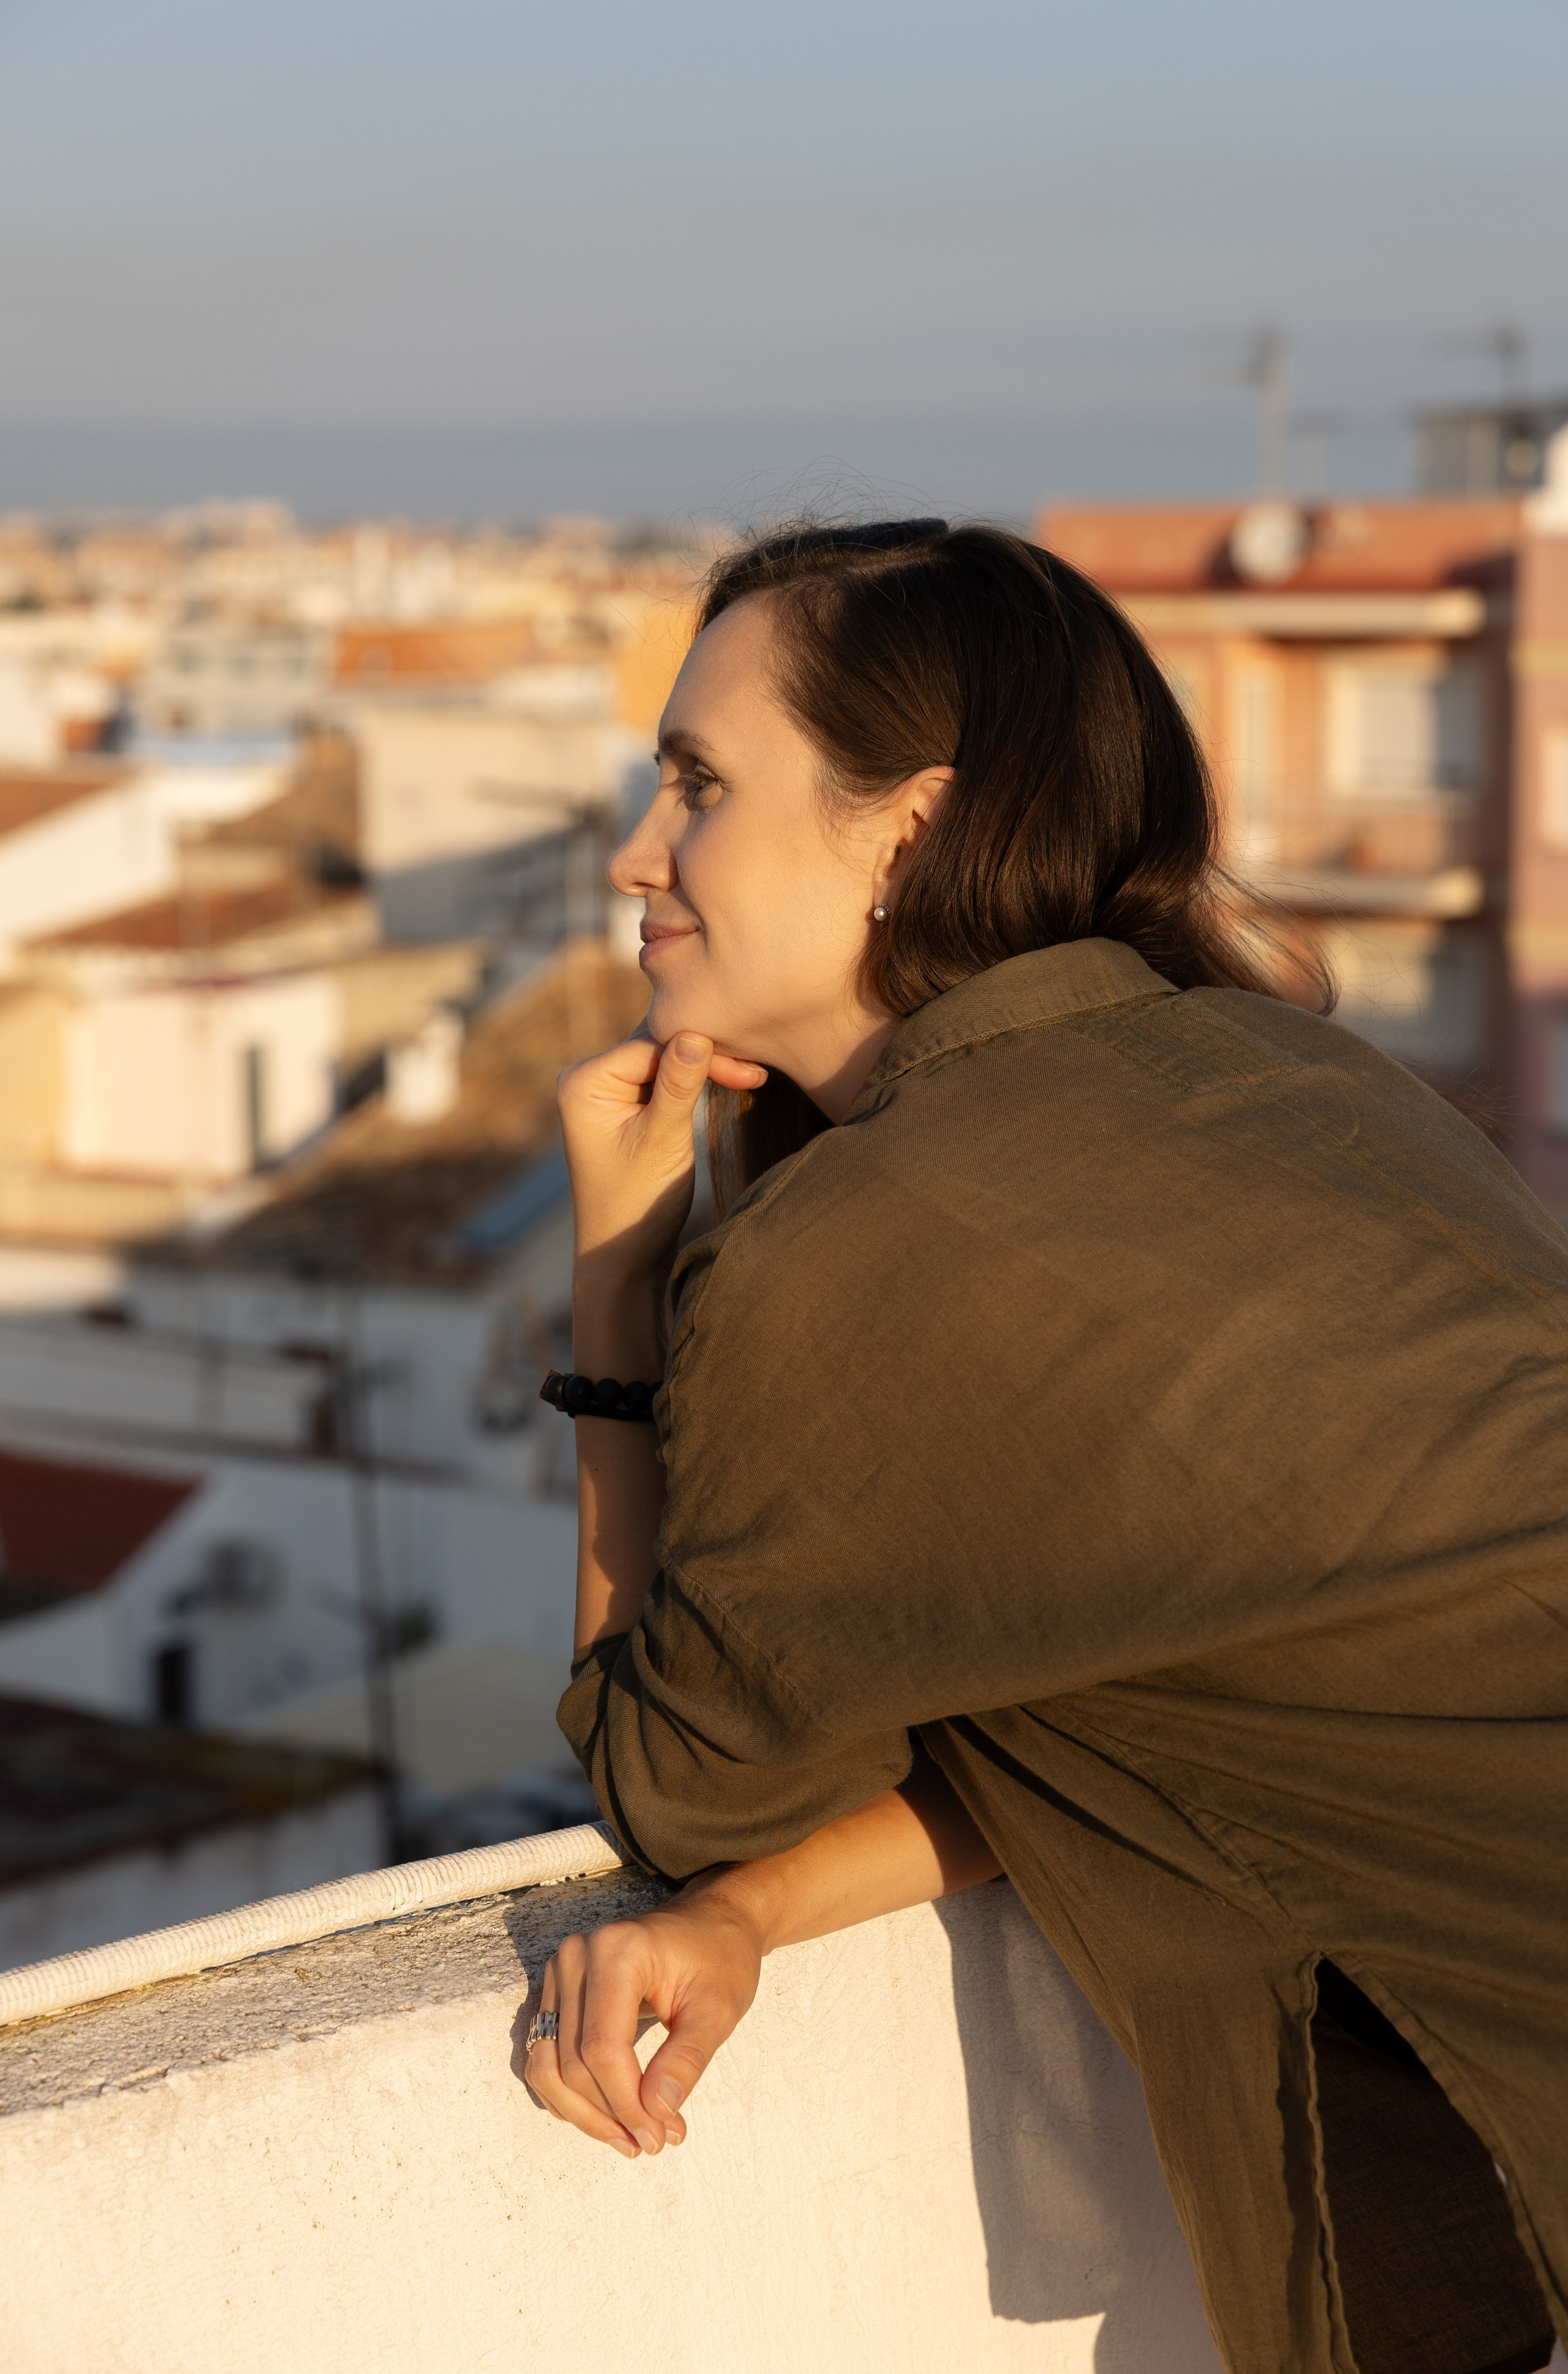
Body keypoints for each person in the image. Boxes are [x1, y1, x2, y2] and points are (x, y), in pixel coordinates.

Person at [526, 519, 1567, 2374]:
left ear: (907, 831)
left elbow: (670, 1780)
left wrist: (619, 1293)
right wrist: (764, 1911)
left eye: (699, 784)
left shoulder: (850, 1261)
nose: (637, 851)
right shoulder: (1308, 1081)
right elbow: (1192, 1695)